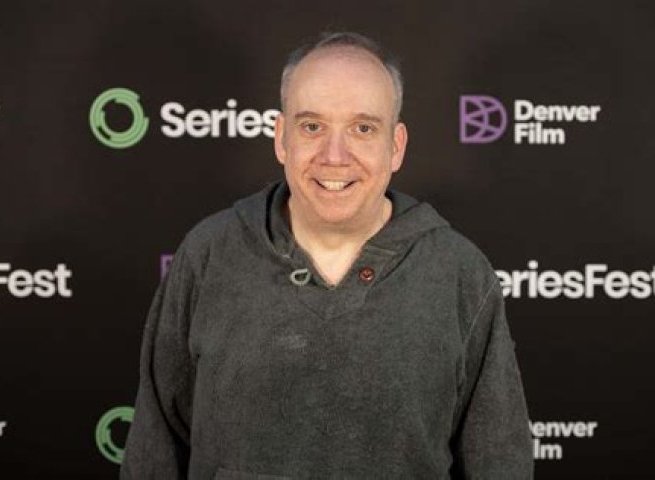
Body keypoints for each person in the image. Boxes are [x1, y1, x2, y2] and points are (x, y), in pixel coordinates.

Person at [121, 32, 533, 479]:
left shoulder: (459, 273)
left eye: (363, 128)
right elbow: (154, 454)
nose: (335, 156)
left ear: (396, 146)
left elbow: (499, 464)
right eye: (312, 127)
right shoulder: (208, 255)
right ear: (282, 138)